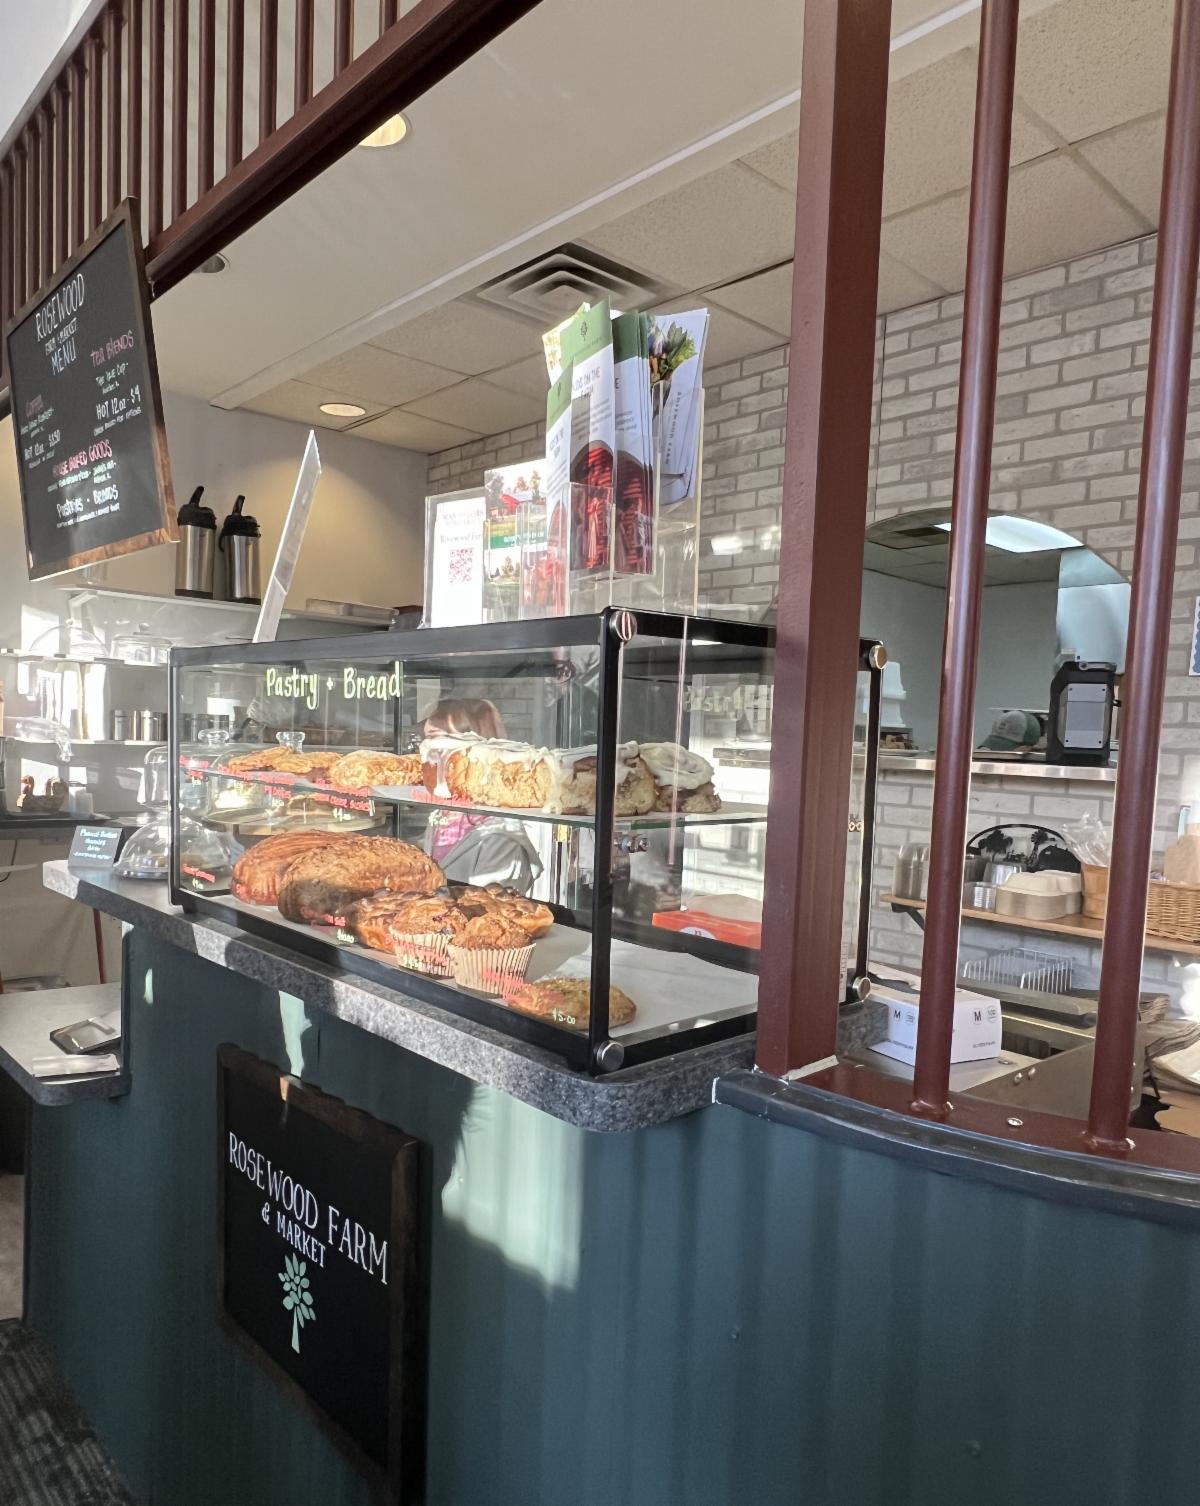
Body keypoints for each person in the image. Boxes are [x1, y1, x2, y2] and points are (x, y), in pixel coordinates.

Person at [420, 697, 544, 893]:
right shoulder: (444, 813)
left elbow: (489, 906)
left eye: (434, 739)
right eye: (425, 739)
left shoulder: (501, 838)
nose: (425, 750)